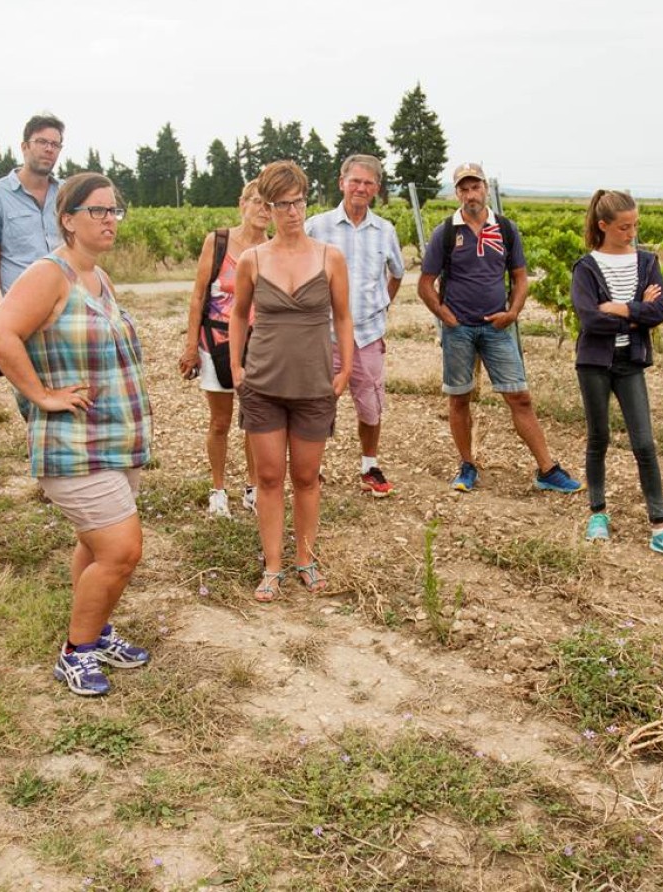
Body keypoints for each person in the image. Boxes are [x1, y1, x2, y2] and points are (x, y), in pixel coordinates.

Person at [0, 173, 152, 697]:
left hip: (113, 439)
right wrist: (41, 395)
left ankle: (97, 634)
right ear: (68, 219)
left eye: (113, 211)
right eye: (97, 210)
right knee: (122, 551)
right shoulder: (49, 273)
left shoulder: (97, 277)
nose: (109, 220)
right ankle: (75, 652)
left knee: (93, 544)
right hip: (72, 445)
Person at [417, 162, 581, 494]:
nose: (469, 194)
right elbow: (425, 284)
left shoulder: (505, 228)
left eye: (475, 187)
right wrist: (445, 315)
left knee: (519, 397)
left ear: (485, 189)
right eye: (463, 188)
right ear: (456, 193)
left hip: (497, 328)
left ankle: (547, 469)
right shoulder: (446, 232)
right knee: (459, 399)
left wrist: (513, 312)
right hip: (459, 330)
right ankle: (467, 466)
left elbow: (520, 278)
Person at [229, 161, 352, 603]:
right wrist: (238, 370)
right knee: (267, 477)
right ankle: (272, 566)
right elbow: (238, 315)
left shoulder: (329, 257)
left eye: (298, 201)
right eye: (282, 204)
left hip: (315, 385)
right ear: (268, 207)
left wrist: (345, 368)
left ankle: (305, 558)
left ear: (306, 200)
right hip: (262, 383)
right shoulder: (252, 259)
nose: (293, 211)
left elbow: (342, 316)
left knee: (306, 476)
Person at [571, 190, 663, 562]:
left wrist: (621, 306)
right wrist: (637, 311)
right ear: (603, 225)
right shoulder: (586, 266)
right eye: (624, 227)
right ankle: (598, 513)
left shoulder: (647, 262)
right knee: (599, 438)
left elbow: (659, 313)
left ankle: (660, 526)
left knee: (644, 443)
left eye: (635, 225)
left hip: (631, 361)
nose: (632, 232)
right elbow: (589, 318)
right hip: (594, 362)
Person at [305, 154, 405, 497]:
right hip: (324, 336)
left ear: (376, 189)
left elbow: (397, 273)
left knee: (370, 405)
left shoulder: (385, 230)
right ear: (341, 183)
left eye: (368, 183)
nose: (361, 188)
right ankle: (313, 469)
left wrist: (382, 308)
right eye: (355, 181)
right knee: (318, 404)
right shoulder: (317, 227)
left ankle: (369, 465)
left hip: (367, 335)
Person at [178, 181, 268, 517]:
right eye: (257, 202)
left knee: (255, 420)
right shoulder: (218, 242)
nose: (263, 210)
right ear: (242, 203)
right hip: (215, 341)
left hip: (258, 345)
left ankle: (254, 487)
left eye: (270, 205)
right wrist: (190, 346)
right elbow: (199, 295)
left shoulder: (272, 248)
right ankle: (218, 490)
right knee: (220, 421)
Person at [0, 114, 65, 319]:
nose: (49, 149)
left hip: (66, 306)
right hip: (22, 310)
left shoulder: (67, 194)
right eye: (42, 142)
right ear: (24, 146)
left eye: (55, 144)